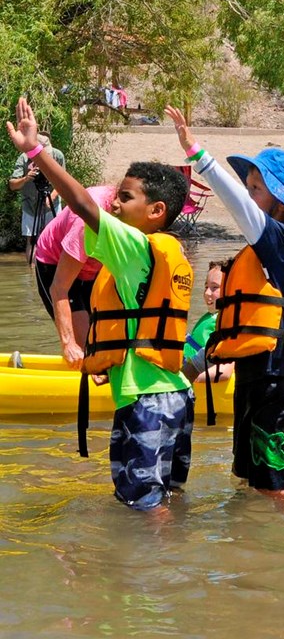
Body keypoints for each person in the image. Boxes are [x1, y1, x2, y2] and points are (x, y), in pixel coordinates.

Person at [7, 97, 194, 512]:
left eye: (125, 198)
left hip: (145, 400)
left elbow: (81, 203)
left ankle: (147, 573)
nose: (113, 204)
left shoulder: (132, 246)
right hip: (177, 395)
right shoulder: (169, 251)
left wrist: (35, 152)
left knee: (144, 509)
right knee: (169, 499)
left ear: (155, 211)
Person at [165, 105, 284, 500]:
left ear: (281, 203)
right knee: (247, 487)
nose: (248, 196)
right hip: (253, 377)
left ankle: (280, 546)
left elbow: (242, 210)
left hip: (274, 382)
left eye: (256, 188)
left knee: (270, 491)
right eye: (247, 187)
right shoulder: (264, 247)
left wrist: (199, 157)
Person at [34, 185, 115, 369]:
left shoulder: (141, 224)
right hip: (54, 263)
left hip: (92, 267)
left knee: (103, 339)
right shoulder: (88, 222)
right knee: (86, 344)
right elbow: (59, 287)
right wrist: (68, 343)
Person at [9, 132, 65, 262]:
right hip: (30, 204)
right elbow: (12, 185)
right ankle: (31, 272)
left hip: (52, 204)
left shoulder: (57, 156)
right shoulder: (23, 158)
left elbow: (63, 182)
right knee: (32, 239)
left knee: (55, 237)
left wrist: (51, 196)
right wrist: (26, 178)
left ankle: (54, 267)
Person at [182, 260, 234, 383]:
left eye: (214, 287)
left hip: (194, 377)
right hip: (187, 367)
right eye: (206, 287)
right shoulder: (212, 315)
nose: (207, 293)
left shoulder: (223, 323)